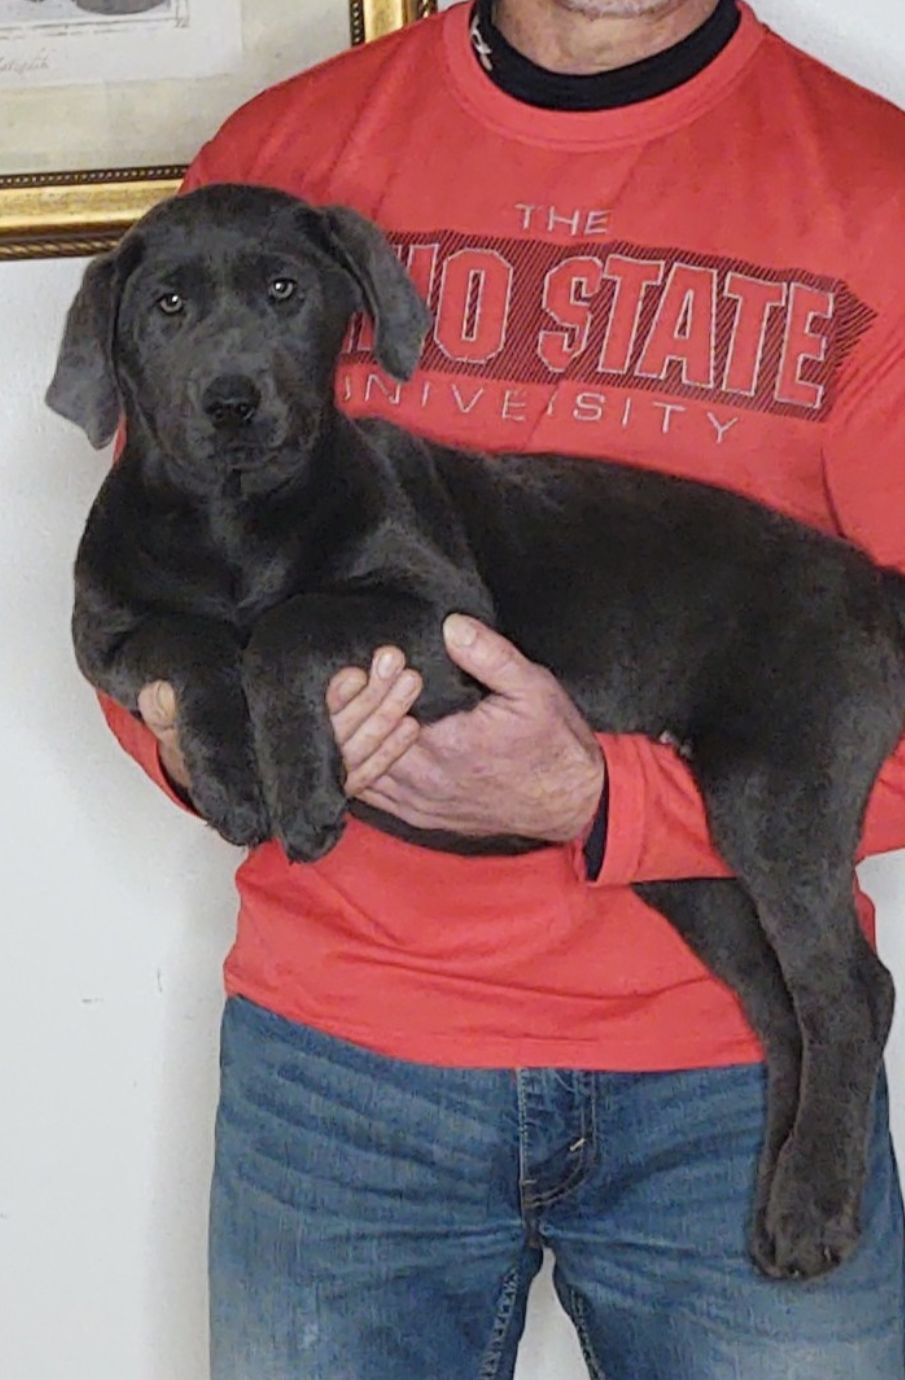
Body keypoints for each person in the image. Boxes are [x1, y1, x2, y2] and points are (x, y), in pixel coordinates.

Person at [102, 1, 905, 1376]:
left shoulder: (878, 193)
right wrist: (192, 736)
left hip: (727, 1065)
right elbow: (167, 555)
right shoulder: (286, 150)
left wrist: (609, 801)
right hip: (339, 1070)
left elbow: (874, 658)